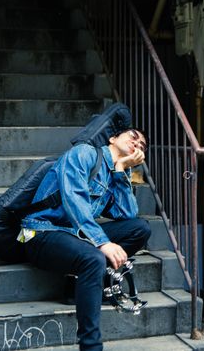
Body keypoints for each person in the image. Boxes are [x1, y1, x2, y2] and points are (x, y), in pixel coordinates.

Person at [18, 128, 151, 351]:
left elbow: (128, 214)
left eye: (142, 145)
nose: (137, 144)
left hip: (75, 235)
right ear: (112, 138)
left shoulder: (116, 171)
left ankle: (76, 286)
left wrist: (121, 170)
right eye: (133, 136)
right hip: (42, 232)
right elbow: (73, 201)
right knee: (93, 258)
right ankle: (91, 346)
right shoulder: (84, 154)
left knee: (139, 229)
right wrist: (103, 242)